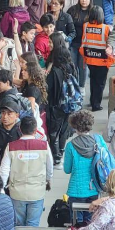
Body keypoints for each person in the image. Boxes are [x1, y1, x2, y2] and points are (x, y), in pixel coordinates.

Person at [0, 113, 51, 230]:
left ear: (20, 129)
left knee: (20, 222)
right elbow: (49, 167)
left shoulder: (11, 146)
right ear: (35, 130)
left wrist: (1, 190)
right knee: (32, 224)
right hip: (37, 191)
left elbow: (3, 171)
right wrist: (48, 180)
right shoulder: (43, 145)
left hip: (17, 192)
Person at [63, 109, 105, 222]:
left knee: (76, 224)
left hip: (75, 190)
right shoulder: (99, 140)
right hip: (94, 189)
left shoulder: (70, 145)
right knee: (91, 222)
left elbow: (67, 169)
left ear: (74, 126)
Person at [46, 34, 76, 164]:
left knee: (54, 131)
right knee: (64, 129)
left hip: (56, 105)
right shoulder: (71, 67)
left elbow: (49, 88)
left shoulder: (55, 71)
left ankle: (56, 155)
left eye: (51, 43)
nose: (49, 45)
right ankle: (61, 151)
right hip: (70, 104)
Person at [80, 5, 114, 111]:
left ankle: (92, 100)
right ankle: (96, 105)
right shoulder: (106, 28)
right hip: (102, 61)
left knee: (93, 81)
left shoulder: (85, 26)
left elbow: (84, 43)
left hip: (90, 59)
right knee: (100, 84)